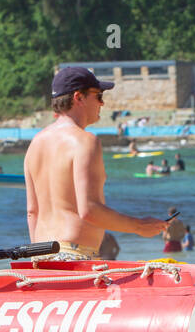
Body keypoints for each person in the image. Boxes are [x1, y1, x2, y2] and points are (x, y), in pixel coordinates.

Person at [23, 66, 166, 260]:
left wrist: (39, 256)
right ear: (78, 98)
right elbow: (89, 210)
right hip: (74, 253)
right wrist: (139, 226)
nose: (103, 103)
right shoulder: (85, 141)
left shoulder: (35, 144)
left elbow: (33, 212)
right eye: (98, 95)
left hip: (40, 253)